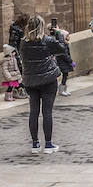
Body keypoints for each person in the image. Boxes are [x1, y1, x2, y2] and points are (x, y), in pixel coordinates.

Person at [18, 15, 67, 153]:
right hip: (48, 80)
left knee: (33, 112)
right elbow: (62, 49)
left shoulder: (23, 42)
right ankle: (48, 144)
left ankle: (35, 144)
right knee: (47, 112)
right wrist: (58, 33)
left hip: (30, 80)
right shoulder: (47, 40)